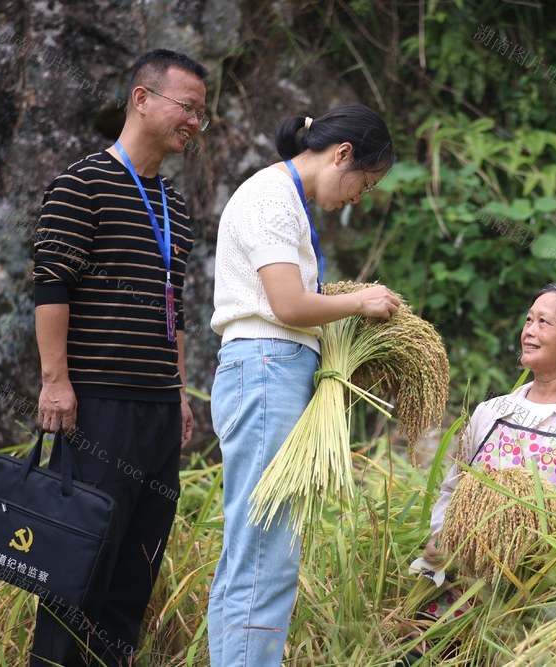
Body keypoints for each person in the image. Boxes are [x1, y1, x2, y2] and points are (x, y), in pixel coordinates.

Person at [30, 48, 206, 665]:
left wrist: (179, 394)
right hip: (96, 404)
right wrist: (56, 383)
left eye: (200, 115)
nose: (193, 122)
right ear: (141, 98)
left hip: (157, 409)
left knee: (137, 563)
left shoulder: (173, 207)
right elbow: (51, 286)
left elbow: (172, 308)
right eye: (186, 107)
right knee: (78, 559)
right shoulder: (80, 183)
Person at [208, 104, 400, 666]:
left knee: (253, 550)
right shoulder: (271, 197)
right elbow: (289, 305)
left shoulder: (283, 198)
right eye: (364, 182)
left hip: (270, 371)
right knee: (267, 554)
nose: (358, 197)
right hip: (267, 367)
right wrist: (360, 301)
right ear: (342, 155)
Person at [410, 281, 556, 621]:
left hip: (539, 596)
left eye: (544, 323)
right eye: (529, 320)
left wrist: (507, 527)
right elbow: (453, 487)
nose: (529, 331)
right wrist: (441, 538)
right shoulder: (492, 411)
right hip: (460, 586)